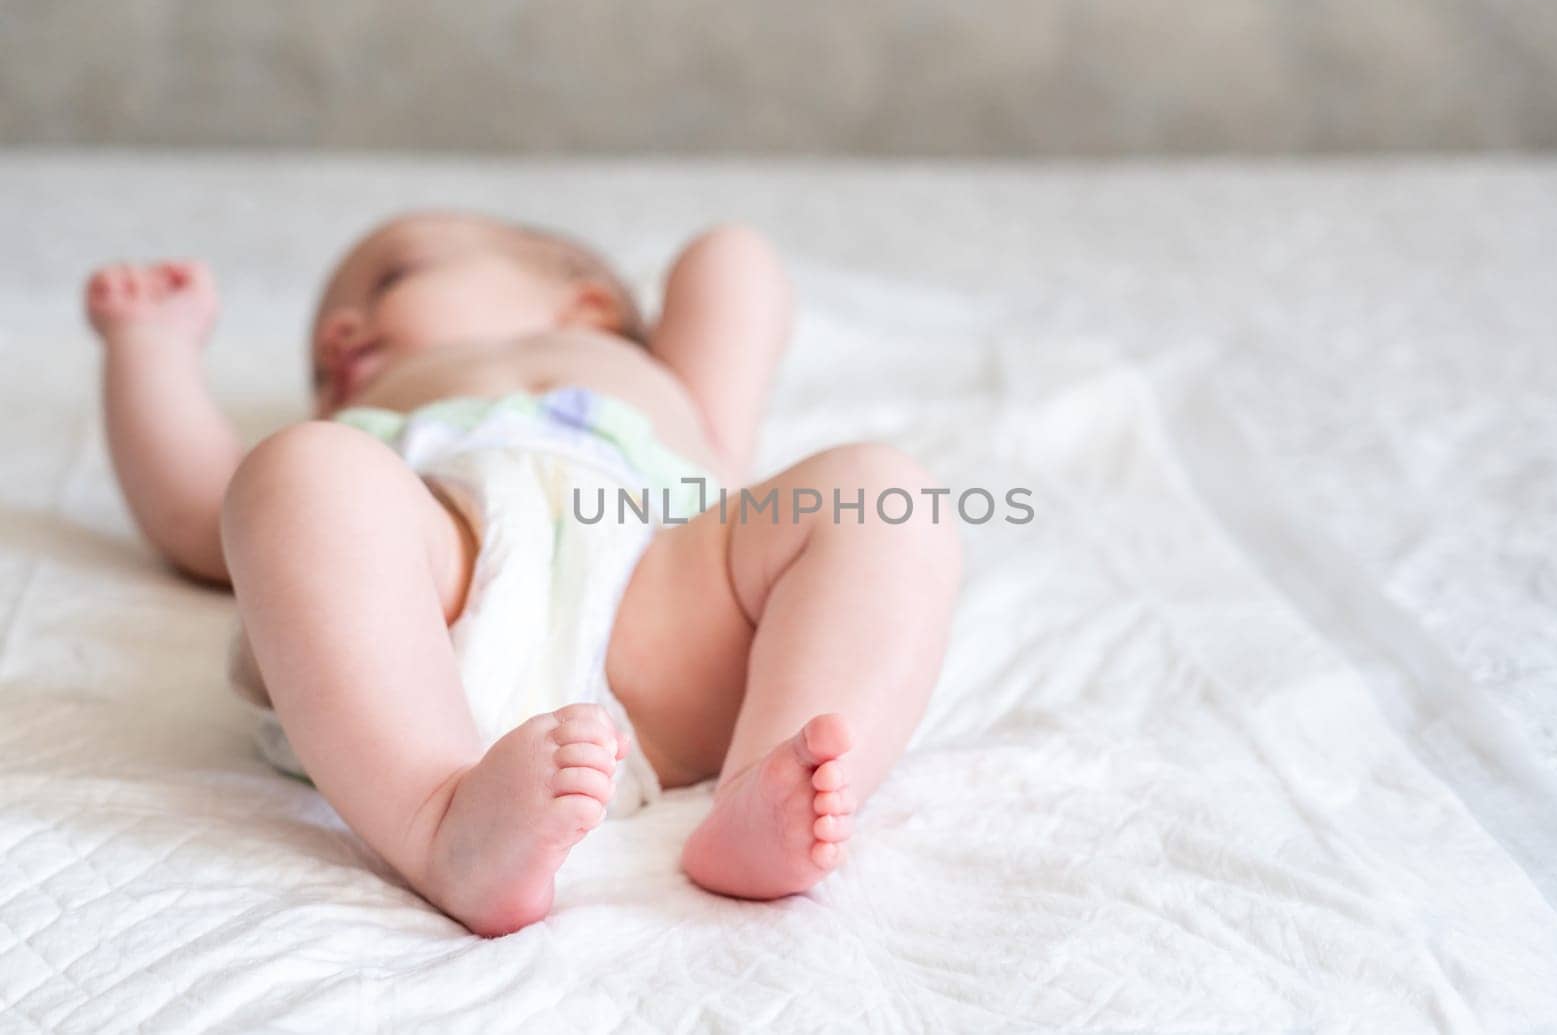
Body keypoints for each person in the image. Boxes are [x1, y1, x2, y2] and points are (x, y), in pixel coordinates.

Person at [83, 213, 961, 936]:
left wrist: (721, 255)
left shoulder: (658, 383)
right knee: (294, 473)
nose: (338, 332)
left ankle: (762, 784)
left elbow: (738, 280)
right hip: (427, 617)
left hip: (659, 614)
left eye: (388, 280)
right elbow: (199, 515)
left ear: (583, 306)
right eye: (319, 362)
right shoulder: (374, 420)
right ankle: (440, 818)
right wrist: (149, 347)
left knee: (881, 492)